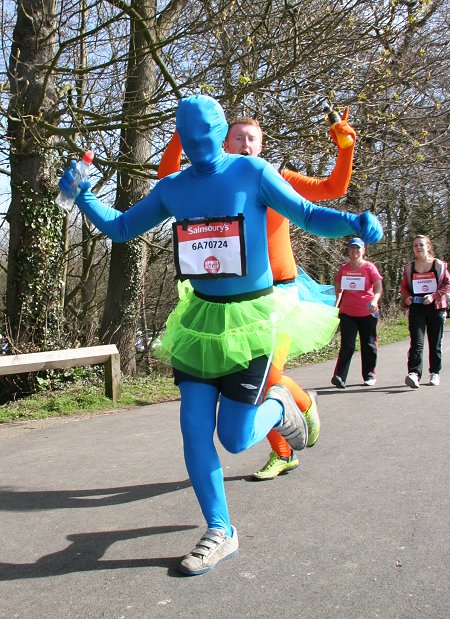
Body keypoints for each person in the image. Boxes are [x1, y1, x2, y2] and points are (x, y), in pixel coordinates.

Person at [59, 95, 382, 576]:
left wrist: (353, 224)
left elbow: (309, 215)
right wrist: (83, 195)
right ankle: (220, 529)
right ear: (181, 141)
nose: (199, 146)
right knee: (193, 428)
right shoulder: (173, 187)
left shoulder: (253, 174)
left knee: (233, 439)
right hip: (200, 319)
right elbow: (123, 228)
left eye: (206, 136)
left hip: (251, 320)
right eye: (188, 140)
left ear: (220, 130)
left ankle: (282, 405)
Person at [158, 110, 357, 480]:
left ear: (262, 145)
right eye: (238, 138)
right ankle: (284, 450)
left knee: (268, 376)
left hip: (279, 294)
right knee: (250, 380)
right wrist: (180, 133)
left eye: (253, 139)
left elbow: (333, 190)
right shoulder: (213, 183)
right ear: (223, 143)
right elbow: (166, 178)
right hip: (232, 302)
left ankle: (300, 404)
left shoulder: (276, 178)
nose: (246, 144)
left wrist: (345, 148)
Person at [331, 237, 383, 388]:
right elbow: (339, 289)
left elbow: (378, 287)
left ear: (363, 250)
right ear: (348, 250)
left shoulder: (369, 268)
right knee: (347, 345)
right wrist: (336, 305)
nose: (355, 251)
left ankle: (369, 375)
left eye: (358, 248)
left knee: (369, 344)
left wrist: (374, 301)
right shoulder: (344, 269)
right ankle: (340, 376)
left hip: (368, 312)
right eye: (352, 248)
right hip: (348, 313)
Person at [400, 235, 450, 388]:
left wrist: (434, 296)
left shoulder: (439, 265)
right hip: (417, 308)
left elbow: (447, 284)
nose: (418, 248)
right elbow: (404, 287)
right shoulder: (409, 267)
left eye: (421, 245)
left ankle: (434, 373)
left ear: (428, 246)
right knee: (417, 342)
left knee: (435, 342)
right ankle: (414, 373)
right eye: (415, 245)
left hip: (436, 307)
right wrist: (408, 297)